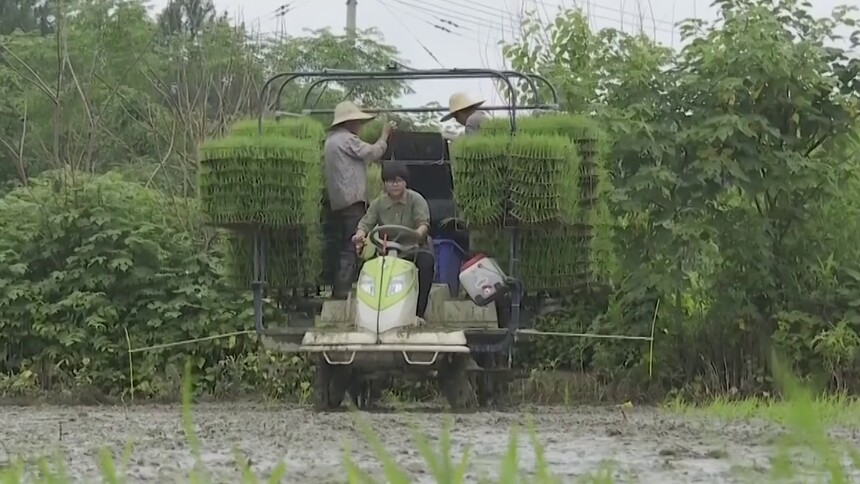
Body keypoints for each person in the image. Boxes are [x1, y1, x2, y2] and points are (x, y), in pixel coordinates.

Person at [324, 100, 392, 299]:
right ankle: (342, 291)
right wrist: (384, 136)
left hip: (338, 201)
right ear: (350, 122)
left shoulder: (331, 141)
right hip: (351, 200)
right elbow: (373, 152)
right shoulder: (347, 140)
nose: (360, 126)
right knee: (353, 245)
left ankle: (339, 288)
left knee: (342, 245)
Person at [351, 162, 435, 320]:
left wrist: (418, 233)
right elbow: (365, 224)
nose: (395, 184)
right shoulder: (378, 203)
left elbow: (423, 223)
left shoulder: (416, 199)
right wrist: (359, 235)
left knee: (426, 263)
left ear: (405, 182)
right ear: (384, 184)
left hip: (412, 248)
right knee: (367, 268)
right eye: (390, 181)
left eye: (398, 180)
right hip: (385, 250)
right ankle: (371, 312)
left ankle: (418, 313)